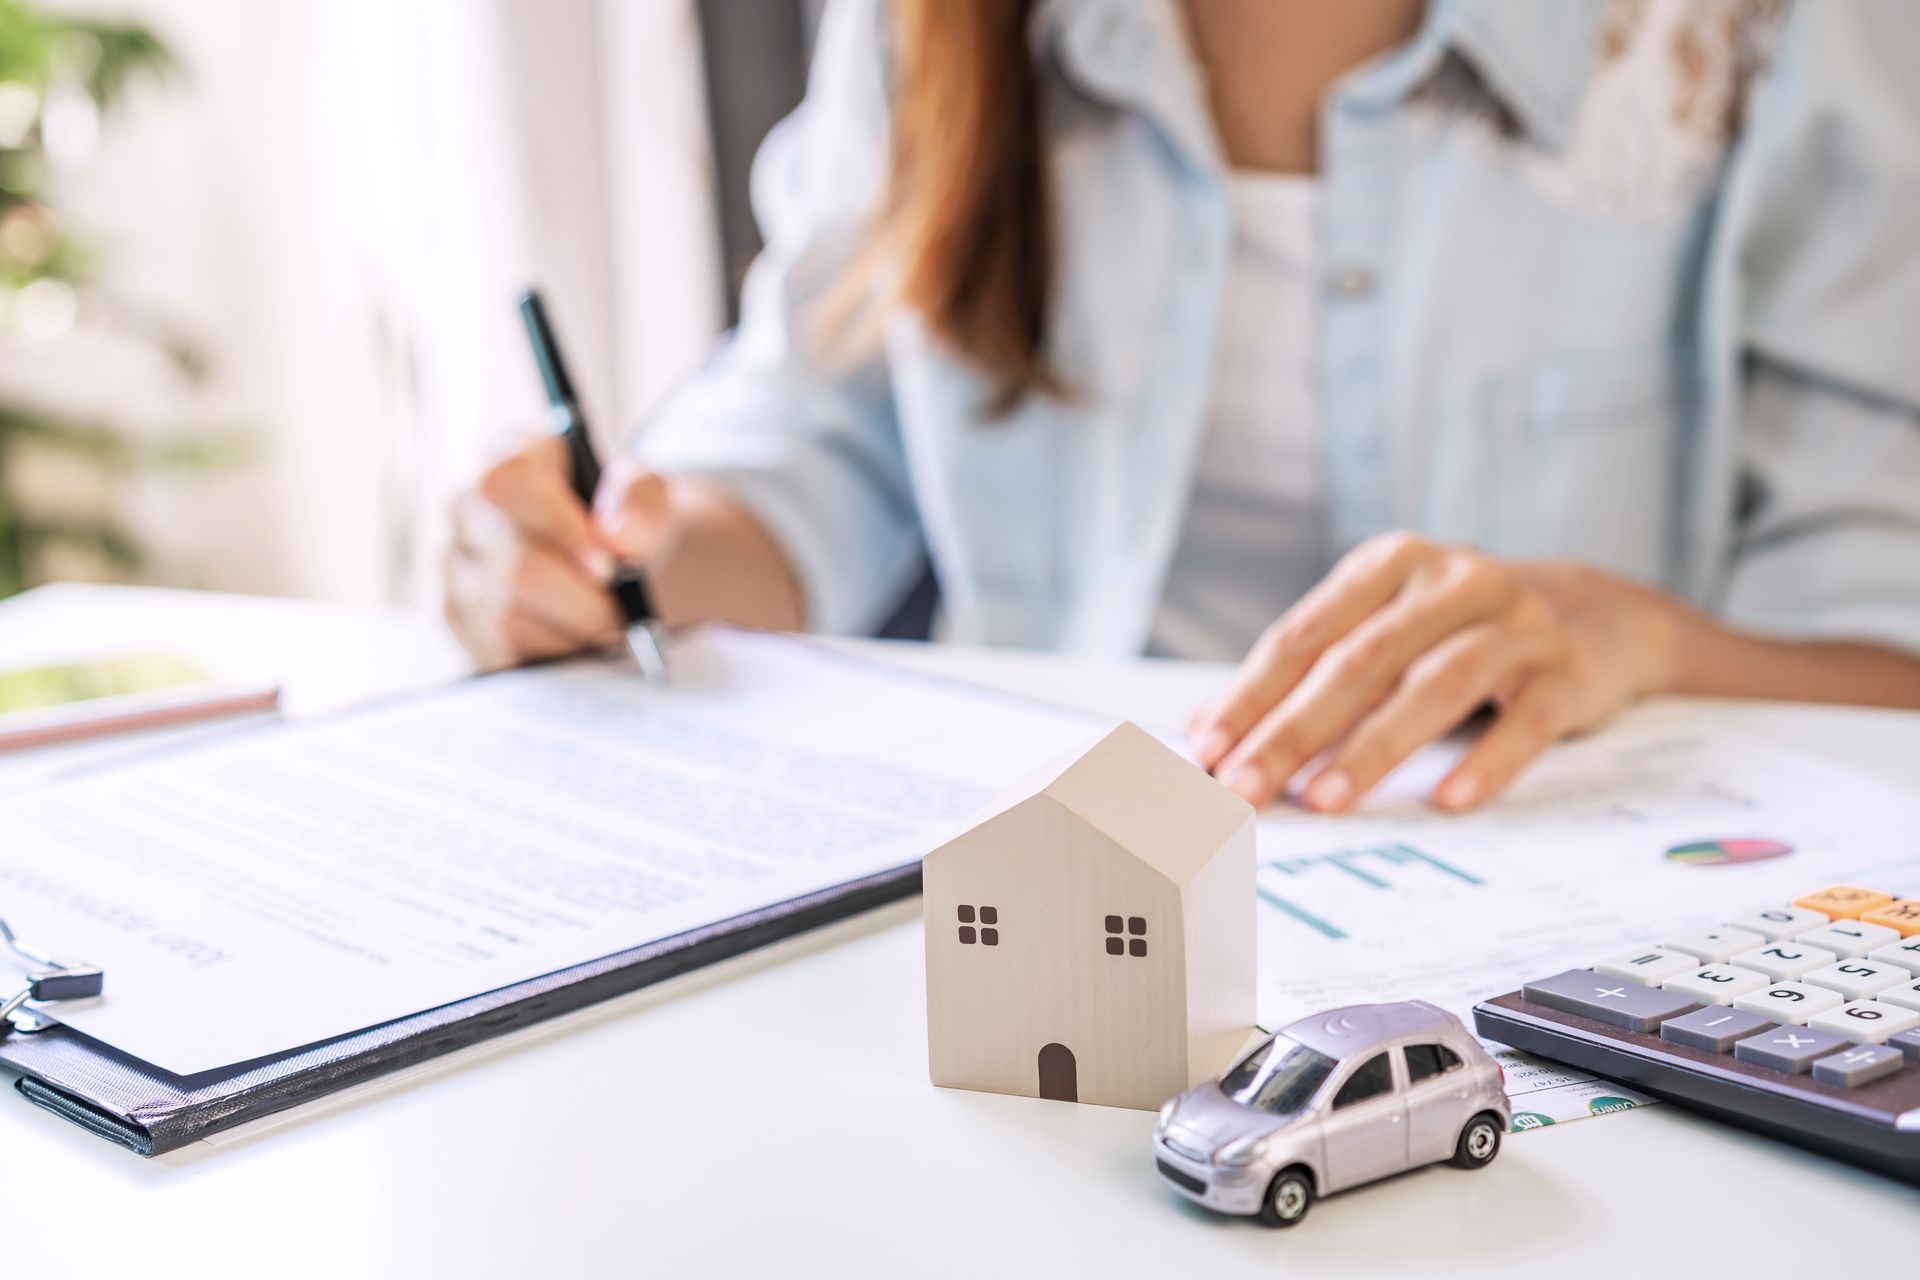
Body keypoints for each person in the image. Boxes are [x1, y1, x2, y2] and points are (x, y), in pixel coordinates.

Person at [443, 0, 1920, 812]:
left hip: (1545, 940)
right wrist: (617, 556)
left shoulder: (1760, 38)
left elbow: (1887, 649)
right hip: (1027, 887)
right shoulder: (946, 26)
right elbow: (816, 436)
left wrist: (1642, 638)